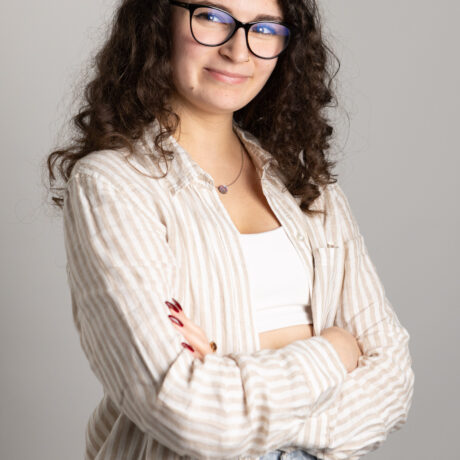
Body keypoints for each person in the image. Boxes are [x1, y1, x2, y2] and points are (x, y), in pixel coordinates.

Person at [45, 1, 414, 459]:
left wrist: (233, 386)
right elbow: (190, 414)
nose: (239, 51)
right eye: (212, 17)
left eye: (265, 28)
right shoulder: (113, 185)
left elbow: (392, 379)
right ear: (158, 23)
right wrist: (335, 352)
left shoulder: (308, 186)